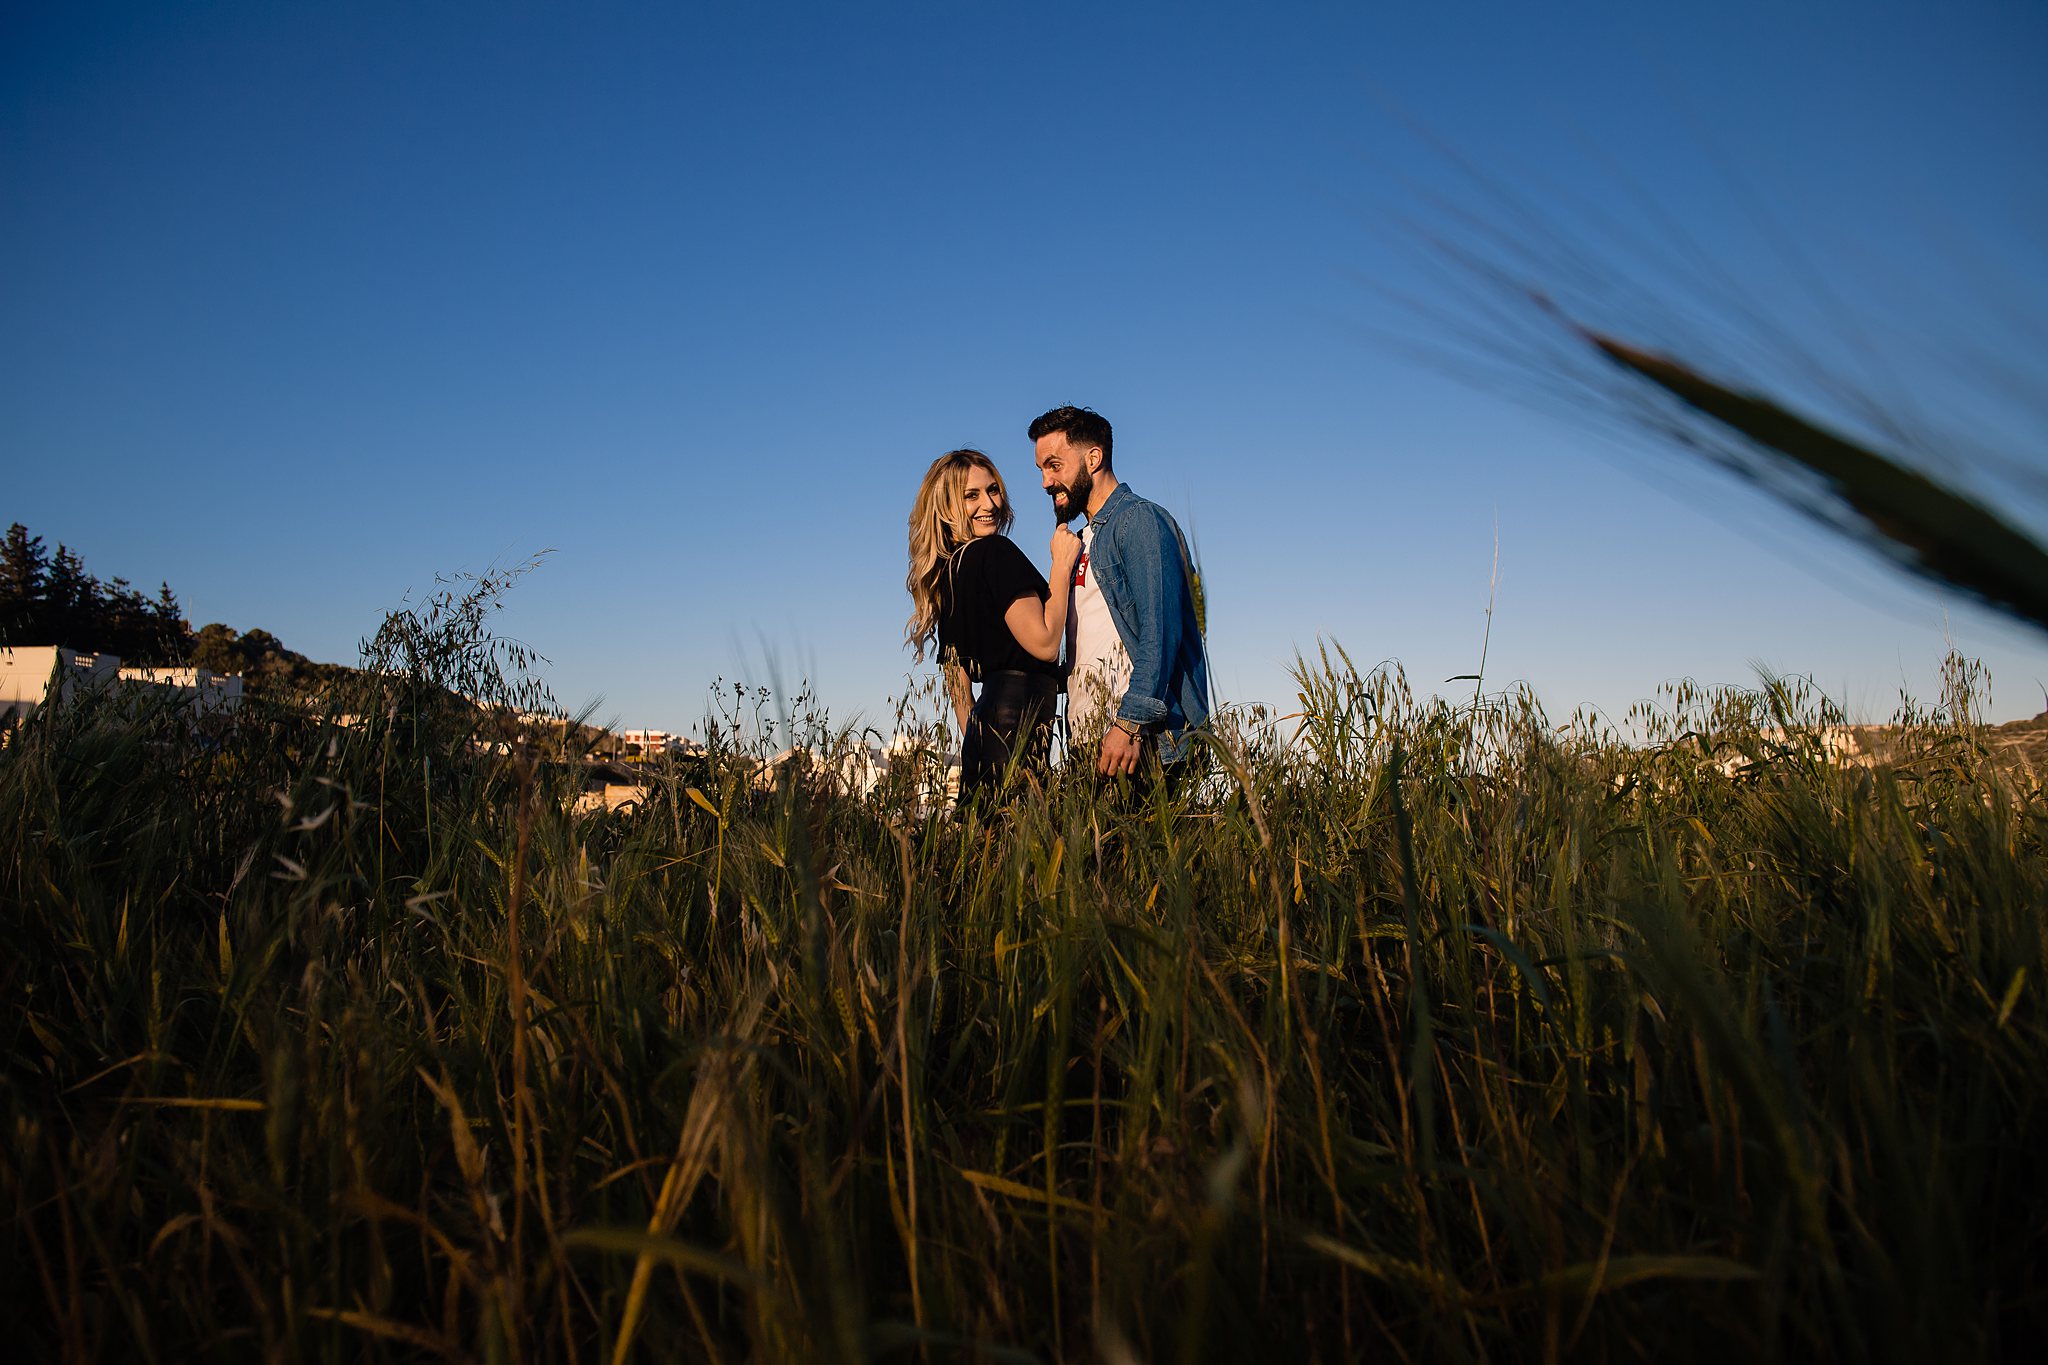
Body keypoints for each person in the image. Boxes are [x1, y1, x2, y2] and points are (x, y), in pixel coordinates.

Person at [1029, 405, 1210, 786]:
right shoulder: (1081, 542)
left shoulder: (1138, 521)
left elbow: (1159, 633)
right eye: (1041, 469)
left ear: (1093, 458)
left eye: (1054, 465)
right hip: (1091, 740)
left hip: (1138, 740)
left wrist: (1129, 724)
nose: (1045, 482)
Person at [906, 448, 1082, 794]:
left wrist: (980, 743)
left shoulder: (950, 574)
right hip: (1019, 734)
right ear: (946, 507)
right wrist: (1061, 566)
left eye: (993, 490)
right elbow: (1046, 645)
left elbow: (958, 690)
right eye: (971, 495)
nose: (989, 504)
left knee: (991, 845)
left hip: (984, 739)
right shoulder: (995, 553)